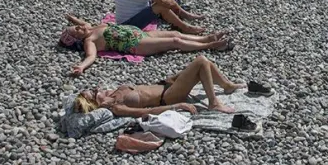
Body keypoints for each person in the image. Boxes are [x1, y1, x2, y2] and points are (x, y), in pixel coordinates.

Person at [71, 55, 242, 115]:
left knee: (205, 65)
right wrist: (177, 106)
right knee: (201, 62)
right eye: (94, 93)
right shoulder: (116, 107)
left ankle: (226, 85)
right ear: (95, 103)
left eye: (93, 89)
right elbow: (146, 112)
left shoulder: (110, 93)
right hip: (167, 97)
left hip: (163, 85)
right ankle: (213, 103)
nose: (97, 89)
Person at [61, 18, 231, 77]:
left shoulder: (90, 28)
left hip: (140, 34)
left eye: (77, 26)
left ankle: (206, 38)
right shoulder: (89, 41)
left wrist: (71, 19)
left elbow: (81, 22)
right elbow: (91, 56)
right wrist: (81, 67)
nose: (80, 27)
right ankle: (210, 45)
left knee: (175, 33)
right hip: (136, 44)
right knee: (175, 42)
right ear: (78, 39)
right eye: (77, 30)